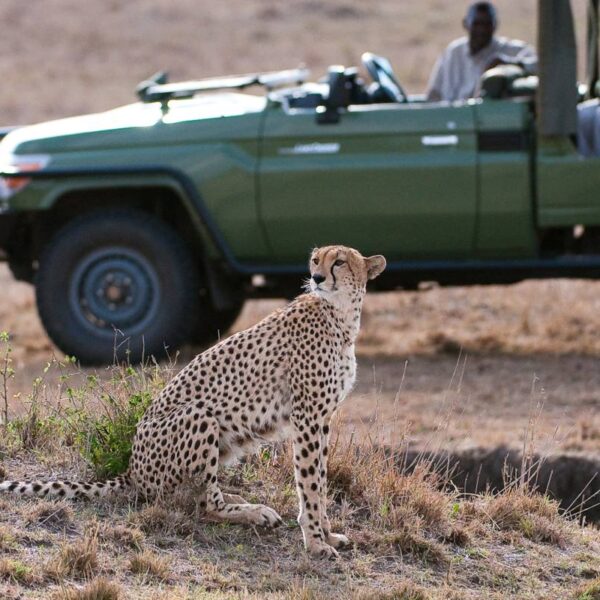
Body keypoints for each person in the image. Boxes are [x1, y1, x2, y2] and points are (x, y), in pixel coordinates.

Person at [426, 2, 537, 102]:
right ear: (466, 24)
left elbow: (542, 65)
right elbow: (433, 96)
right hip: (452, 119)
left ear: (495, 25)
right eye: (477, 24)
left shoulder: (509, 50)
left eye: (487, 24)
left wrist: (510, 63)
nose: (482, 30)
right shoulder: (453, 53)